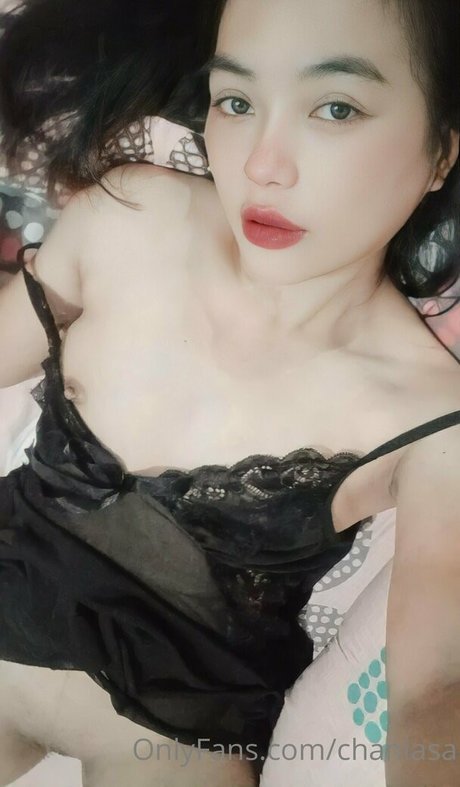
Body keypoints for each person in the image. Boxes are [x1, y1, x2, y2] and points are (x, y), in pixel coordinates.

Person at [0, 0, 459, 785]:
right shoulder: (132, 213)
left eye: (335, 108)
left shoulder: (432, 421)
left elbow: (432, 689)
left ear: (441, 152)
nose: (262, 165)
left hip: (178, 730)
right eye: (237, 101)